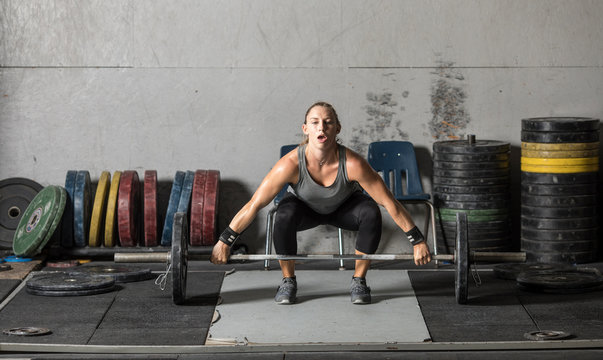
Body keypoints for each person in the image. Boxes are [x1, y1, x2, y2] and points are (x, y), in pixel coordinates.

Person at [210, 101, 432, 304]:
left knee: (371, 211)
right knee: (283, 214)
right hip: (304, 208)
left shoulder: (353, 163)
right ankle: (288, 281)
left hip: (345, 208)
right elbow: (254, 204)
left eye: (328, 123)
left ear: (337, 128)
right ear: (305, 129)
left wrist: (417, 241)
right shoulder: (289, 164)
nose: (321, 128)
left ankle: (359, 280)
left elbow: (389, 202)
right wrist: (224, 241)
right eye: (315, 123)